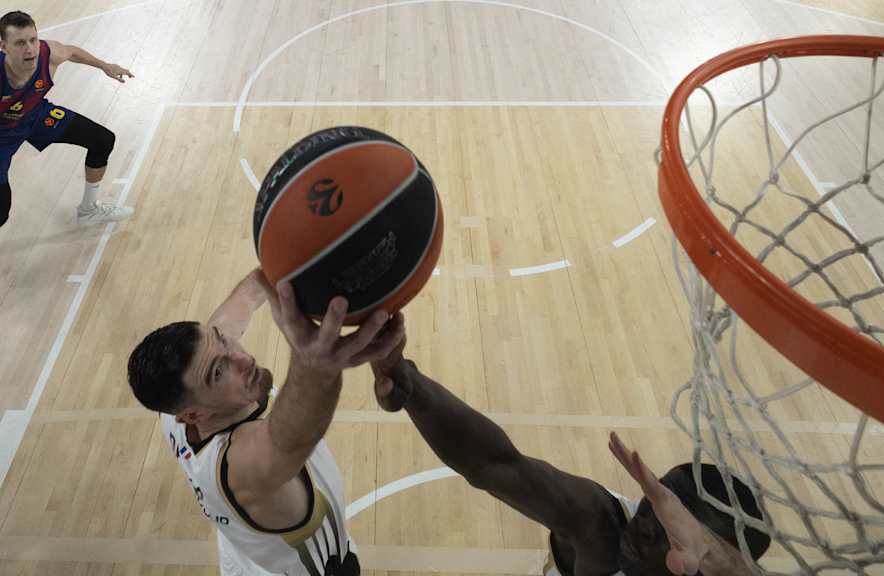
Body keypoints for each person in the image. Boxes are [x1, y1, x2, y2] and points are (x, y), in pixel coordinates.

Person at [369, 328, 772, 576]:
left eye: (672, 532)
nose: (644, 524)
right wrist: (411, 386)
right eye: (654, 504)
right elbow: (492, 463)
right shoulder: (597, 525)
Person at [127, 270, 404, 575]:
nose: (243, 360)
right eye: (219, 372)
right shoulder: (241, 466)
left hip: (245, 556)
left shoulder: (181, 403)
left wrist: (297, 259)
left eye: (224, 340)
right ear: (193, 415)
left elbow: (250, 291)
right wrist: (318, 363)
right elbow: (293, 436)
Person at [1, 10, 134, 230]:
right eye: (20, 43)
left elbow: (72, 53)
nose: (30, 49)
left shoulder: (48, 53)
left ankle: (88, 210)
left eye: (33, 39)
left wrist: (105, 66)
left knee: (102, 140)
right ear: (4, 47)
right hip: (2, 136)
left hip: (36, 115)